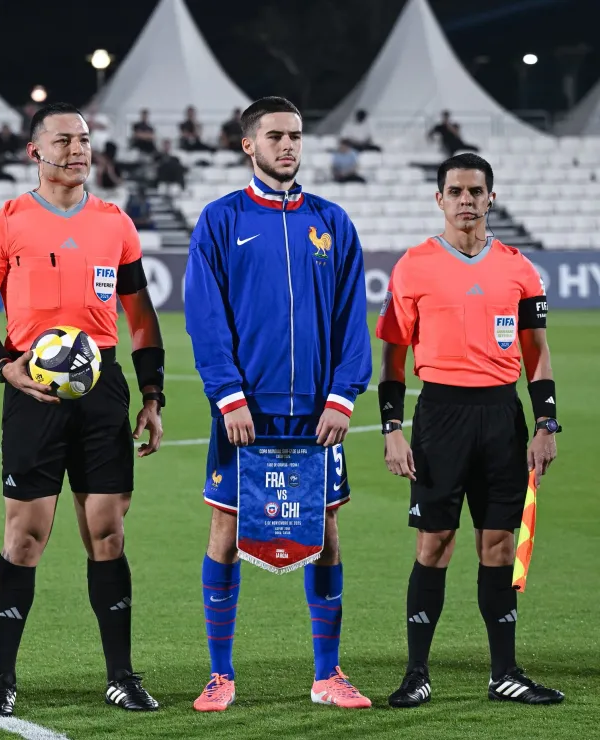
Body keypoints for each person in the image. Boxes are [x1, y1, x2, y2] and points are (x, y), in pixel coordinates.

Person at [0, 102, 166, 716]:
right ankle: (1, 679)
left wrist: (152, 396)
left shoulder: (115, 224)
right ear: (35, 152)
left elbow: (141, 320)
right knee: (25, 538)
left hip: (102, 389)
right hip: (31, 389)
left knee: (107, 533)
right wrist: (5, 367)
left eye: (84, 139)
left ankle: (122, 675)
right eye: (64, 140)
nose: (78, 149)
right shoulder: (6, 225)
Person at [184, 97, 374, 712]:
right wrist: (228, 396)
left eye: (295, 135)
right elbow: (204, 318)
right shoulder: (219, 220)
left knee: (326, 529)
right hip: (246, 412)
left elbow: (352, 321)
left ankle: (328, 675)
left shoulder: (332, 221)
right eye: (274, 136)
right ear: (249, 145)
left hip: (318, 413)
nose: (288, 145)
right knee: (226, 527)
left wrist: (344, 397)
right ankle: (220, 675)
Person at [376, 153, 564, 708]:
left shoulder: (519, 269)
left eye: (475, 191)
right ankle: (417, 672)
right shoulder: (412, 267)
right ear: (439, 199)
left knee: (499, 544)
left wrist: (546, 423)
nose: (466, 200)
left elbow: (538, 354)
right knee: (435, 543)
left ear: (491, 198)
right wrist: (392, 429)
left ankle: (504, 671)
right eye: (455, 191)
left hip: (503, 417)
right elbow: (392, 358)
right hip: (439, 416)